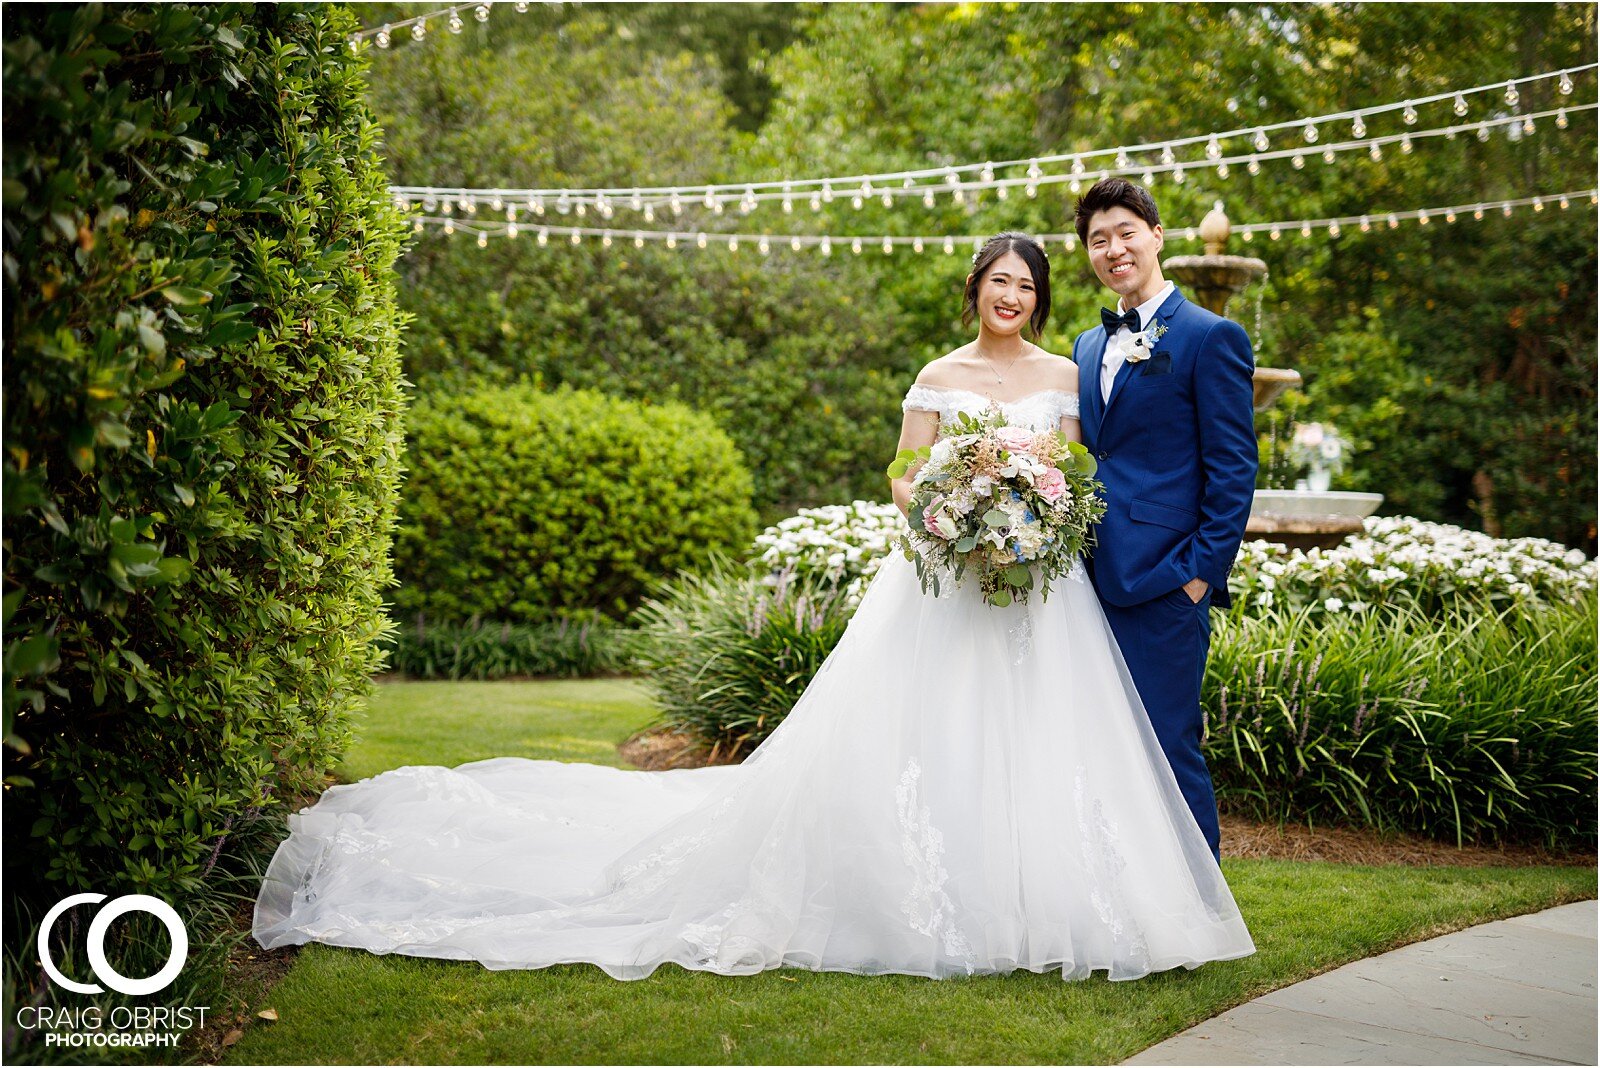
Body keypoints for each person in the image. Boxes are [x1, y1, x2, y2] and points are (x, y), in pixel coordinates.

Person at [253, 231, 1255, 982]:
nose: (1011, 297)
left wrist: (1028, 513)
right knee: (930, 732)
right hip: (944, 581)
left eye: (1025, 285)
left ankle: (1054, 902)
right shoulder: (939, 374)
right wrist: (950, 514)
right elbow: (902, 474)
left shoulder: (1062, 372)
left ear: (1039, 298)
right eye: (998, 283)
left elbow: (1077, 470)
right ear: (975, 292)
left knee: (1045, 742)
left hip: (1036, 591)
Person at [1069, 179, 1260, 863]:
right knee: (1098, 749)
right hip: (1084, 581)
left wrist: (1199, 578)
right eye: (1099, 239)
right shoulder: (1084, 346)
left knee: (1167, 745)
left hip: (1166, 582)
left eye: (1125, 232)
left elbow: (1234, 470)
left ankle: (1199, 910)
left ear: (1156, 235)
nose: (1113, 248)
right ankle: (1117, 902)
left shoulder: (1213, 337)